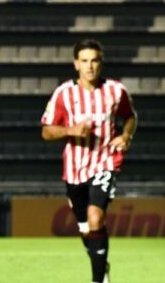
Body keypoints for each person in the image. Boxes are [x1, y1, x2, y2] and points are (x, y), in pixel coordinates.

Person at [41, 39, 137, 283]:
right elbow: (46, 131)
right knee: (86, 228)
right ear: (76, 64)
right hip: (74, 169)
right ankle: (100, 264)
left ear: (101, 63)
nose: (90, 66)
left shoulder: (116, 91)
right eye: (84, 61)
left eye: (94, 60)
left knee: (96, 218)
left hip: (105, 162)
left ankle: (97, 280)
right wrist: (69, 130)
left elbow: (130, 116)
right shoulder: (64, 93)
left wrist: (126, 136)